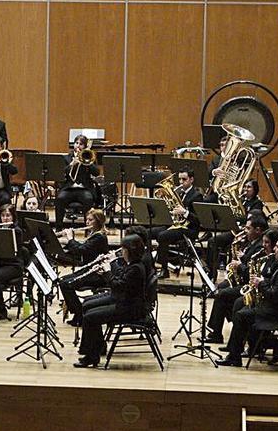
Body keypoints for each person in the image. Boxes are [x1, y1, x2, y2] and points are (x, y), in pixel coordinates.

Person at [219, 236, 278, 366]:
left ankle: (234, 357)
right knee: (243, 307)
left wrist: (261, 284)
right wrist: (264, 281)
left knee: (241, 315)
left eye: (277, 247)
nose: (274, 249)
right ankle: (271, 346)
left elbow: (274, 295)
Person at [74, 234, 150, 368]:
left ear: (129, 251)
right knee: (89, 312)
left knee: (90, 317)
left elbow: (118, 286)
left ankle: (91, 356)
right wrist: (107, 270)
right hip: (125, 303)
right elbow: (120, 277)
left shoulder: (136, 269)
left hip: (130, 309)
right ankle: (95, 349)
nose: (122, 252)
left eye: (123, 249)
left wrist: (108, 272)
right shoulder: (134, 265)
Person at [206, 216, 269, 344]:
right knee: (221, 289)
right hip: (243, 281)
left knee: (223, 295)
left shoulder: (260, 247)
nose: (245, 230)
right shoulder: (250, 242)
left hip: (249, 284)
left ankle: (218, 332)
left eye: (248, 228)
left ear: (258, 230)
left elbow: (253, 271)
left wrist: (240, 264)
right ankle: (218, 330)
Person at [152, 170, 206, 279]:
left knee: (163, 236)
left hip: (189, 229)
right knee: (148, 232)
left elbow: (199, 220)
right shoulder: (179, 193)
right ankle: (150, 267)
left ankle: (164, 269)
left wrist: (185, 212)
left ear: (191, 180)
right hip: (177, 225)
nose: (181, 182)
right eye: (180, 179)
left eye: (184, 179)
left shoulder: (197, 196)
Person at [55, 136, 98, 228]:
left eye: (81, 144)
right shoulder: (66, 158)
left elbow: (96, 172)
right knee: (59, 199)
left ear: (85, 146)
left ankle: (87, 229)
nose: (78, 145)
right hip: (69, 188)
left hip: (84, 189)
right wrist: (71, 164)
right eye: (76, 143)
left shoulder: (88, 156)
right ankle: (58, 228)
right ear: (73, 144)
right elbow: (61, 173)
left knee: (88, 199)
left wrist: (87, 163)